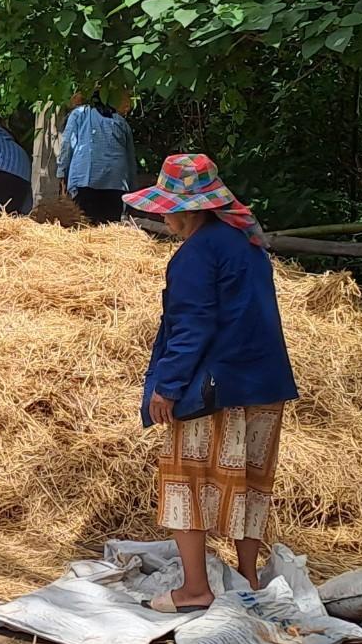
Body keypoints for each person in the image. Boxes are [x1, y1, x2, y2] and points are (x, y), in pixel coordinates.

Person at [126, 154, 298, 613]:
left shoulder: (196, 254)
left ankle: (195, 590)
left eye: (166, 208)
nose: (163, 217)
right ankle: (246, 576)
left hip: (214, 388)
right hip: (263, 383)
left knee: (186, 481)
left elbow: (192, 327)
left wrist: (166, 386)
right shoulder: (247, 242)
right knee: (249, 479)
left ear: (185, 210)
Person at [57, 91, 137, 224]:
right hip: (116, 183)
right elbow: (130, 160)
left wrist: (62, 173)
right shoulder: (121, 122)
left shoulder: (79, 114)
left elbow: (67, 145)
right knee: (109, 229)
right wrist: (132, 191)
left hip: (86, 181)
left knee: (84, 227)